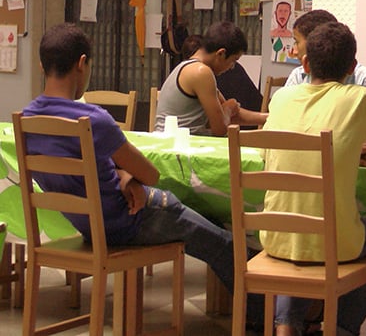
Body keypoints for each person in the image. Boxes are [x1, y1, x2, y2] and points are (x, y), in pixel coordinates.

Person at [21, 23, 259, 317]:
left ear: (42, 65)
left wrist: (123, 176)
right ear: (82, 63)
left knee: (206, 220)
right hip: (130, 221)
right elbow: (151, 174)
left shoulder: (28, 119)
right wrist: (131, 176)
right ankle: (267, 314)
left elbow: (104, 170)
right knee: (225, 242)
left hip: (87, 225)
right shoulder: (94, 119)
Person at [261, 21, 366, 336]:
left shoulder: (280, 99)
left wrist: (345, 153)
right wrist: (364, 155)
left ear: (304, 64)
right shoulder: (361, 99)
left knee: (301, 239)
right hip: (333, 241)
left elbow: (268, 156)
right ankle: (342, 328)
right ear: (351, 67)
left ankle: (286, 327)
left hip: (274, 235)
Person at [154, 21, 267, 136]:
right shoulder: (201, 72)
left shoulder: (191, 67)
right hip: (176, 145)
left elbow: (232, 114)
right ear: (221, 54)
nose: (232, 67)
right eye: (233, 60)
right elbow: (220, 129)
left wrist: (268, 118)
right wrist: (228, 109)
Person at [285, 9, 366, 88]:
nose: (295, 51)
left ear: (316, 41)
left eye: (297, 42)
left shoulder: (365, 81)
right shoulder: (298, 76)